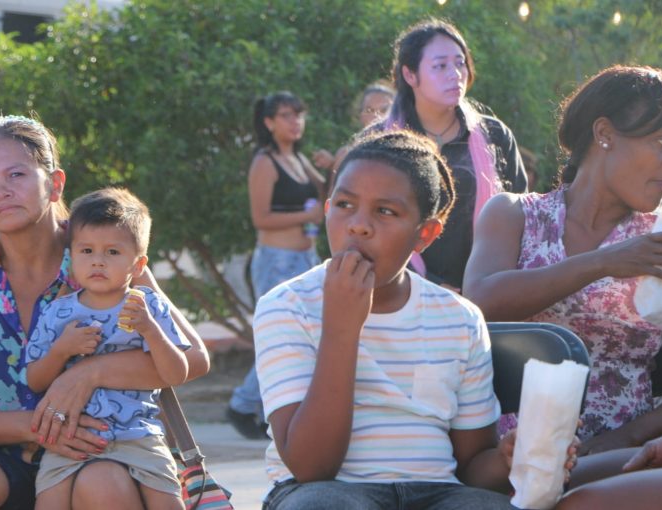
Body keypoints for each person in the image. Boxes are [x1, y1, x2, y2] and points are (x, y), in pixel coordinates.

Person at [255, 130, 571, 509]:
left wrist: (509, 459)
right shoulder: (287, 306)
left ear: (425, 234)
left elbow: (472, 467)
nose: (358, 225)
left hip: (438, 493)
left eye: (385, 211)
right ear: (326, 210)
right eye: (344, 204)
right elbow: (311, 467)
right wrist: (341, 328)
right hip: (326, 492)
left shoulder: (458, 319)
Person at [0, 115, 209, 510]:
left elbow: (194, 359)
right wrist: (39, 427)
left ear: (55, 183)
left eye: (16, 175)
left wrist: (87, 372)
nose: (2, 192)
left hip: (106, 448)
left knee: (103, 482)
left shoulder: (104, 258)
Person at [463, 65, 662, 455]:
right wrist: (602, 262)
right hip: (504, 453)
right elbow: (480, 304)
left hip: (614, 460)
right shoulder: (512, 215)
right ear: (604, 134)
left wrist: (631, 437)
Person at [25, 187, 188, 509]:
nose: (98, 261)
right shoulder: (58, 311)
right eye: (87, 251)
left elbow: (176, 373)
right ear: (71, 256)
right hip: (71, 438)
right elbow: (35, 380)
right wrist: (61, 350)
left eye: (112, 252)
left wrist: (151, 331)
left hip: (140, 436)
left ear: (138, 264)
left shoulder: (149, 306)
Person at [378, 18, 527, 290]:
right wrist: (434, 286)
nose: (455, 74)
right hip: (402, 291)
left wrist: (485, 283)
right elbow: (373, 226)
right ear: (410, 75)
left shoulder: (494, 135)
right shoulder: (381, 143)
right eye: (440, 66)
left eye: (460, 63)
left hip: (485, 291)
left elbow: (520, 214)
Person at [227, 91, 326, 440]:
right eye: (286, 115)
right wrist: (308, 214)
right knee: (280, 336)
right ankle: (243, 404)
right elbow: (260, 218)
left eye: (299, 113)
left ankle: (275, 406)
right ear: (269, 122)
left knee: (308, 337)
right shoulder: (265, 162)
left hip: (305, 258)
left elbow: (328, 190)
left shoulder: (297, 159)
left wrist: (333, 165)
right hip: (276, 261)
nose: (295, 121)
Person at [312, 79, 396, 181]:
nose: (376, 117)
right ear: (360, 115)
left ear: (396, 114)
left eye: (384, 110)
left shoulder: (406, 155)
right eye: (369, 110)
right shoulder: (345, 155)